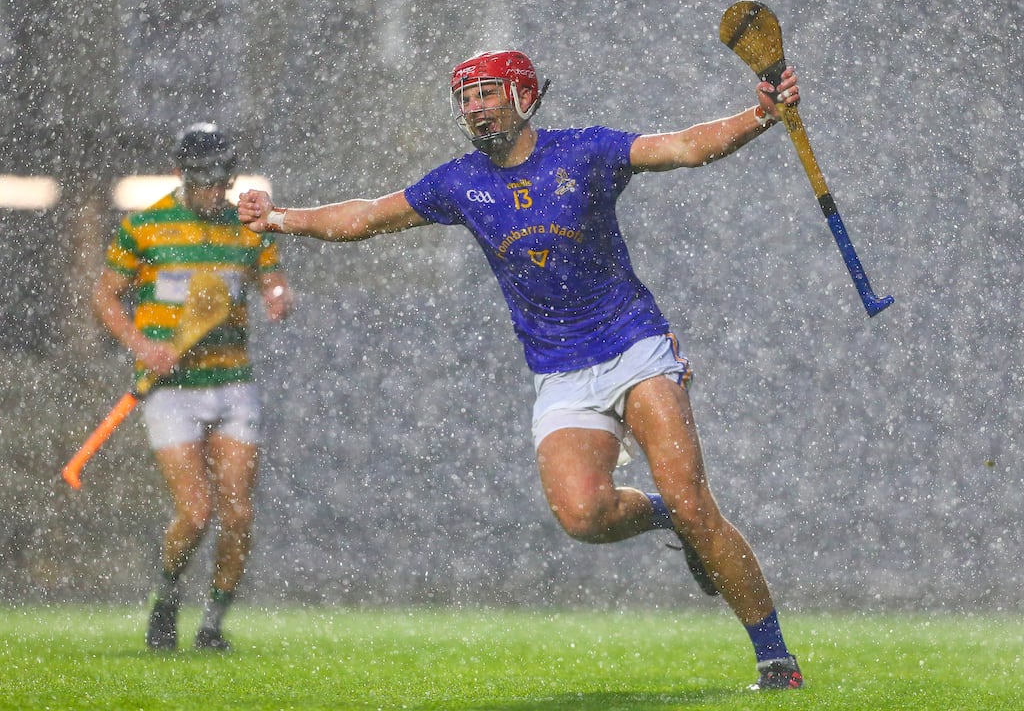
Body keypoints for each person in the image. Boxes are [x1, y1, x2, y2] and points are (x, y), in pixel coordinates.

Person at [238, 51, 804, 689]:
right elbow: (369, 216)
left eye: (487, 93)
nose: (475, 107)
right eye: (466, 97)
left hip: (634, 346)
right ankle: (663, 513)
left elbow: (681, 148)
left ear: (524, 96)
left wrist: (761, 115)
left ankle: (776, 660)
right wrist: (281, 219)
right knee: (583, 515)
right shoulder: (460, 184)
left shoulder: (585, 151)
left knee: (697, 503)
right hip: (560, 371)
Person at [93, 122, 293, 651]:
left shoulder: (246, 226)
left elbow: (270, 276)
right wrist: (141, 345)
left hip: (232, 382)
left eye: (221, 181)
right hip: (169, 388)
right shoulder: (145, 226)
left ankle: (211, 626)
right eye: (203, 181)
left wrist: (276, 294)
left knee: (238, 513)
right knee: (196, 511)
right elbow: (106, 297)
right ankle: (166, 599)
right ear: (181, 174)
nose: (213, 192)